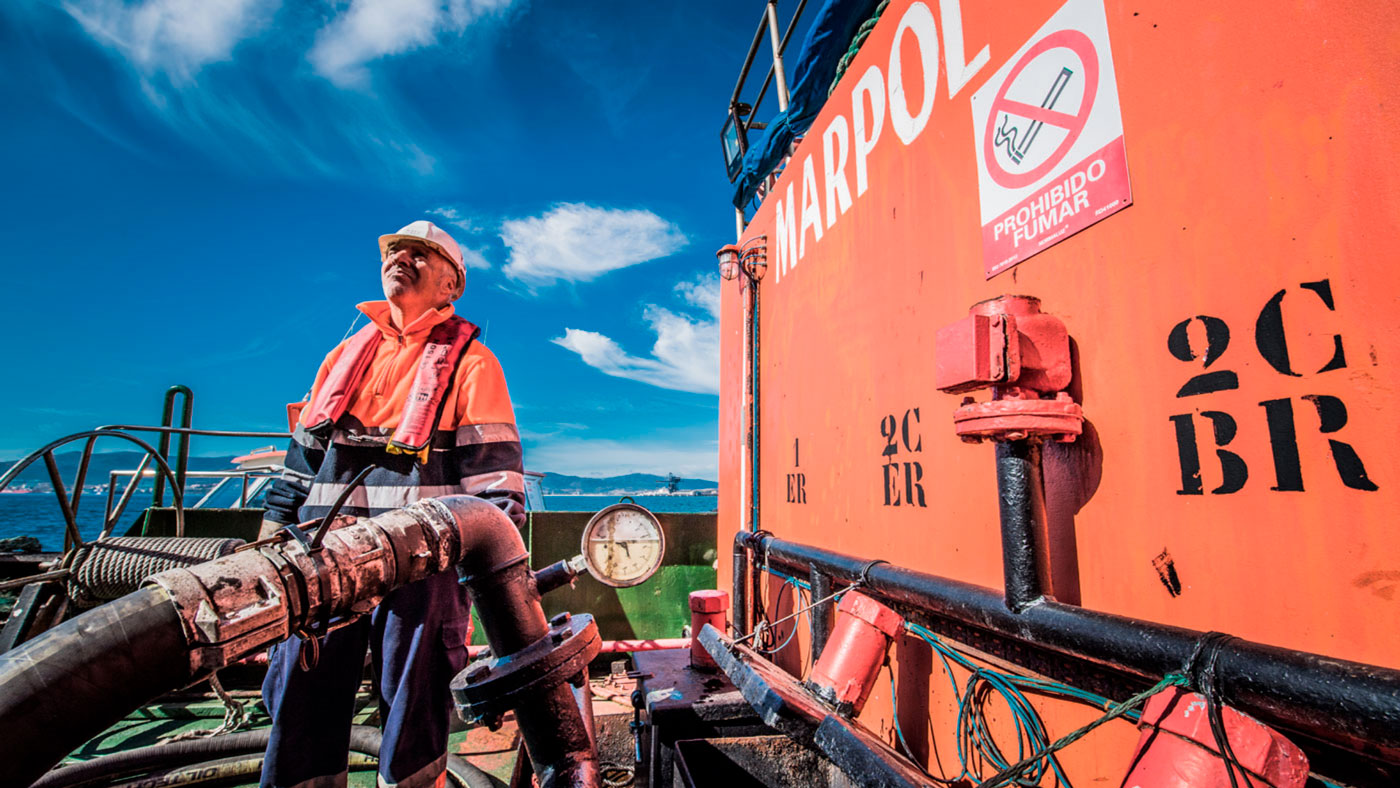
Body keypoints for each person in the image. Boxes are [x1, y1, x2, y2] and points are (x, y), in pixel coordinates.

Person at [258, 220, 526, 788]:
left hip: (420, 577)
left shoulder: (474, 364)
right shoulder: (341, 357)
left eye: (421, 254)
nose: (402, 257)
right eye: (395, 251)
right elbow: (300, 464)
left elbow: (498, 492)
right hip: (318, 563)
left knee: (415, 710)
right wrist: (269, 541)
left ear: (451, 286)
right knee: (300, 701)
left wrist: (496, 582)